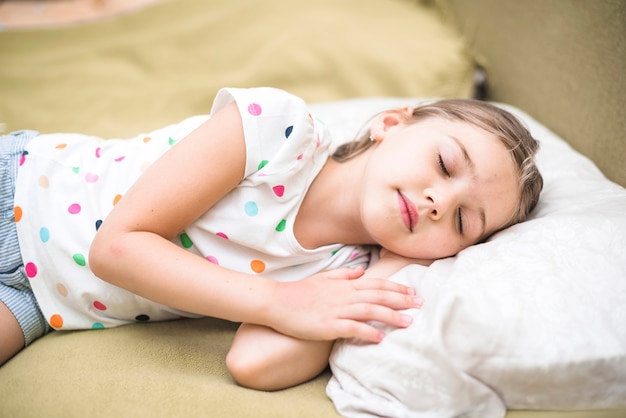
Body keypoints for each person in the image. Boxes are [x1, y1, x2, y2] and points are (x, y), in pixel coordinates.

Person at [0, 87, 542, 390]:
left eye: (461, 223)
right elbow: (117, 248)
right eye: (444, 164)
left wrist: (388, 267)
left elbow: (254, 364)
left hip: (40, 302)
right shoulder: (279, 132)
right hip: (19, 186)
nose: (437, 203)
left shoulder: (343, 272)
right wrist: (281, 302)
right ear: (391, 124)